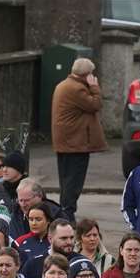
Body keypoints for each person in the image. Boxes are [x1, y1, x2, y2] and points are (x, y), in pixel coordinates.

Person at [50, 57, 105, 217]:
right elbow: (95, 104)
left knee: (66, 179)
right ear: (86, 74)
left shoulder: (64, 85)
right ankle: (67, 213)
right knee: (73, 181)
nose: (93, 77)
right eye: (91, 74)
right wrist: (94, 87)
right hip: (75, 142)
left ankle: (65, 211)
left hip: (66, 141)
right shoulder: (77, 89)